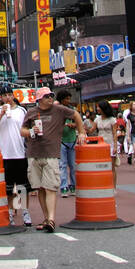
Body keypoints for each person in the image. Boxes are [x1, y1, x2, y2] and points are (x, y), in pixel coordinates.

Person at [21, 86, 86, 233]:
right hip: (34, 154)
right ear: (39, 100)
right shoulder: (31, 113)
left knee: (50, 187)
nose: (50, 98)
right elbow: (22, 131)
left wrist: (81, 132)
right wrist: (31, 131)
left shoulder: (60, 110)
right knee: (40, 188)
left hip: (51, 154)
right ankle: (46, 218)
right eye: (47, 96)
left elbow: (76, 115)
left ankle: (51, 219)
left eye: (51, 95)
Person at [0, 89, 32, 226]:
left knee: (22, 187)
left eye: (9, 95)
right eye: (4, 96)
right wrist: (1, 113)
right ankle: (10, 212)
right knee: (8, 188)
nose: (7, 98)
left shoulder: (21, 111)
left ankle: (24, 211)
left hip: (20, 153)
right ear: (0, 98)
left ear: (13, 96)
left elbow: (27, 129)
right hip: (5, 154)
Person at [57, 89, 78, 196]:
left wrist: (73, 125)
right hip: (61, 141)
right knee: (63, 165)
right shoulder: (56, 110)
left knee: (73, 165)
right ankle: (64, 187)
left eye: (69, 98)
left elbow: (78, 123)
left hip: (72, 140)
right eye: (66, 99)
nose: (68, 101)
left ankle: (73, 185)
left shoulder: (72, 110)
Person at [94, 101, 119, 187]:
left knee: (111, 167)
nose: (97, 109)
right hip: (100, 144)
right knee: (101, 165)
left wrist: (115, 146)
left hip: (110, 143)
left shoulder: (112, 120)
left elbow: (115, 133)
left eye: (98, 107)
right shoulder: (97, 119)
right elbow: (92, 129)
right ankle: (103, 184)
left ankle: (113, 186)